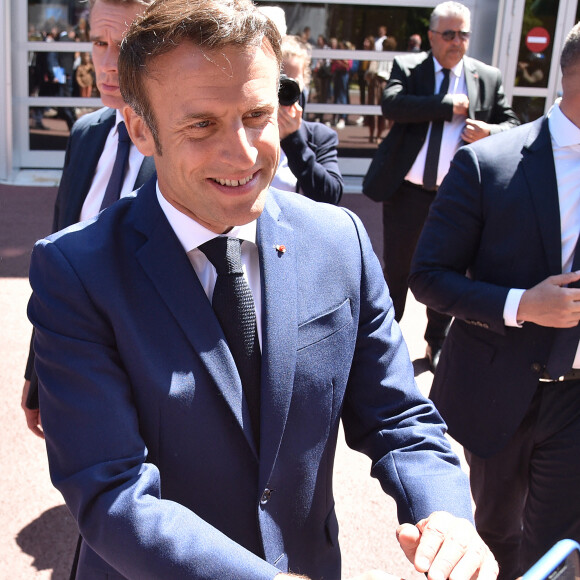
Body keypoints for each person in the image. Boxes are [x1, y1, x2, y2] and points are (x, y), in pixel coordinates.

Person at [27, 0, 499, 578]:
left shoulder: (337, 240)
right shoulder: (76, 271)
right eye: (202, 124)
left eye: (256, 114)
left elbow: (399, 416)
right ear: (140, 129)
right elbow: (111, 492)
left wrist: (445, 510)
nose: (245, 153)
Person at [409, 20, 580, 580]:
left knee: (557, 547)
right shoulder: (491, 164)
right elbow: (428, 276)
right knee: (495, 535)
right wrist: (520, 304)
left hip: (576, 400)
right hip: (501, 391)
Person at [21, 0, 155, 438]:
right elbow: (56, 267)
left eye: (128, 45)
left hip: (157, 387)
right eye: (100, 42)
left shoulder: (186, 144)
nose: (109, 63)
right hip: (77, 372)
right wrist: (38, 369)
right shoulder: (85, 134)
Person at [363, 1, 519, 372]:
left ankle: (436, 342)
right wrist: (447, 105)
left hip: (457, 199)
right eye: (448, 34)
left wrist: (489, 131)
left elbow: (513, 123)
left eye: (463, 34)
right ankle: (384, 341)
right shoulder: (410, 67)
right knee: (398, 269)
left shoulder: (487, 76)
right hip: (408, 194)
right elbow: (393, 104)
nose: (456, 42)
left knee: (445, 271)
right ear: (432, 36)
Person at [272, 35, 343, 204]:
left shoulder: (319, 136)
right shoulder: (245, 131)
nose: (283, 90)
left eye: (292, 83)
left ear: (304, 83)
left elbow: (330, 196)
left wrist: (293, 140)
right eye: (279, 81)